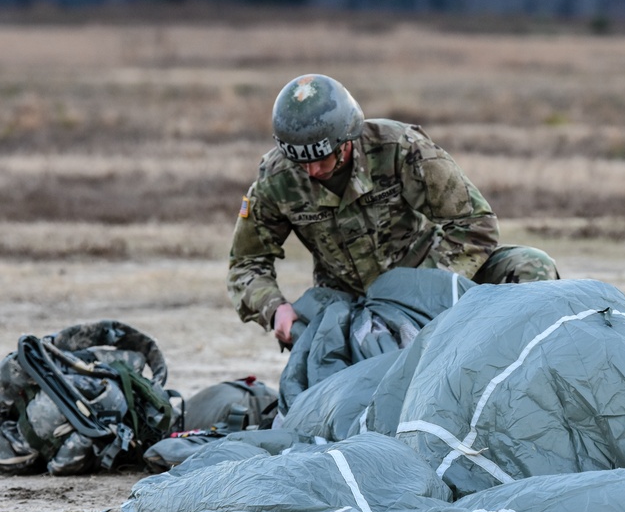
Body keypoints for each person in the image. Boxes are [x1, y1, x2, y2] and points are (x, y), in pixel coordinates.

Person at [227, 73, 558, 347]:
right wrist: (275, 309)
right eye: (301, 161)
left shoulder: (400, 148)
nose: (312, 170)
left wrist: (426, 290)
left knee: (530, 267)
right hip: (350, 304)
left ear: (346, 139)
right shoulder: (275, 179)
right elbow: (246, 264)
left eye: (322, 158)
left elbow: (474, 224)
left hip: (432, 277)